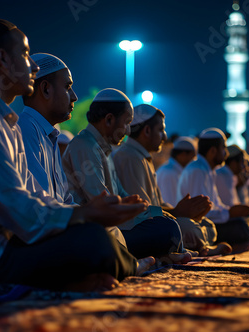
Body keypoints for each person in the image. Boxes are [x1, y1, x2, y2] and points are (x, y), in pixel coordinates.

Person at [0, 19, 148, 292]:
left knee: (95, 236)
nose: (33, 66)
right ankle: (117, 269)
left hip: (9, 242)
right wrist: (85, 215)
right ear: (3, 60)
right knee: (93, 240)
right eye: (26, 55)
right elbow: (15, 208)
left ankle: (83, 276)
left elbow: (33, 196)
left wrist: (85, 214)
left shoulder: (2, 119)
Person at [63, 89, 194, 262]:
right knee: (166, 229)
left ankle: (162, 255)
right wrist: (151, 213)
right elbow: (101, 201)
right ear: (109, 119)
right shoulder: (84, 146)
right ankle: (158, 256)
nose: (127, 131)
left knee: (167, 224)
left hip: (111, 229)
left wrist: (153, 211)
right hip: (93, 231)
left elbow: (123, 195)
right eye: (126, 123)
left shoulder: (104, 150)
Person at [112, 105, 230, 256]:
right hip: (137, 228)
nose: (165, 137)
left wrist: (185, 212)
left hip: (154, 221)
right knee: (177, 227)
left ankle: (190, 248)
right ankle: (193, 249)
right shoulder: (129, 157)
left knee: (204, 225)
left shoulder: (142, 157)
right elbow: (139, 212)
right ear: (147, 131)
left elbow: (158, 204)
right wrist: (176, 212)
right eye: (161, 130)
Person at [178, 127, 249, 249]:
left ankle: (245, 243)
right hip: (195, 226)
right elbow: (199, 212)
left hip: (209, 224)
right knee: (239, 224)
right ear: (212, 151)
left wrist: (232, 211)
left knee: (245, 221)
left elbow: (216, 205)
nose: (226, 154)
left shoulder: (208, 170)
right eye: (223, 148)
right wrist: (230, 213)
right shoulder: (198, 170)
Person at [19, 53, 76, 205]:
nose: (74, 96)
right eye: (67, 87)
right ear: (45, 89)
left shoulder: (49, 135)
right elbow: (41, 205)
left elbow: (65, 201)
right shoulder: (26, 130)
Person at [157, 136, 197, 207]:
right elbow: (171, 204)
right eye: (193, 157)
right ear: (183, 155)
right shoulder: (170, 173)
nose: (194, 161)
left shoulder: (171, 170)